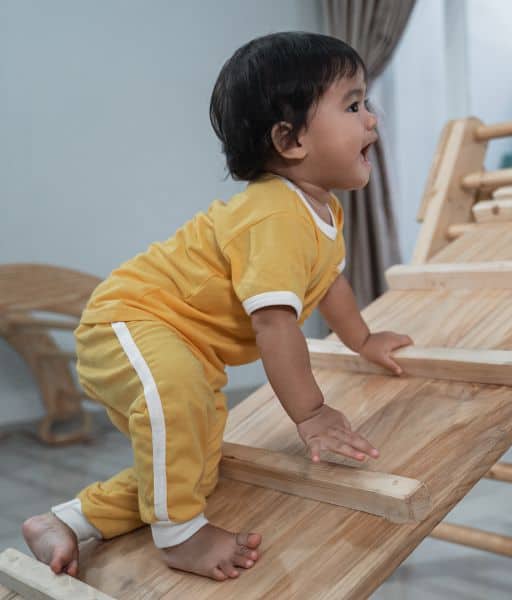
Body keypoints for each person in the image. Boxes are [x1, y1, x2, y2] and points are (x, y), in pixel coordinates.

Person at [21, 31, 413, 582]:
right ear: (291, 139)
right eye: (352, 105)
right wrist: (311, 412)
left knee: (189, 466)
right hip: (134, 319)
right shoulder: (274, 213)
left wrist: (363, 340)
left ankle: (69, 520)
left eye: (365, 102)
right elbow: (276, 324)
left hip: (189, 345)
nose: (371, 118)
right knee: (176, 400)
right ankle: (179, 536)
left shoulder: (320, 215)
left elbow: (328, 284)